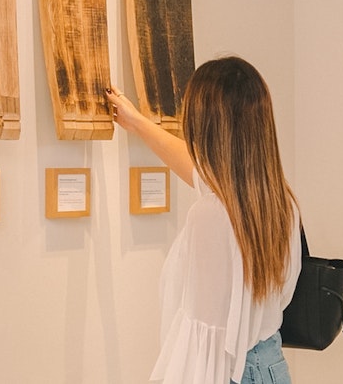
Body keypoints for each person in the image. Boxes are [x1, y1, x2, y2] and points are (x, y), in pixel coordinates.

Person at [106, 56, 301, 384]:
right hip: (271, 367)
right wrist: (137, 122)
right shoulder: (280, 202)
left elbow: (204, 340)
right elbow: (200, 172)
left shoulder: (211, 215)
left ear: (205, 126)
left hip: (229, 373)